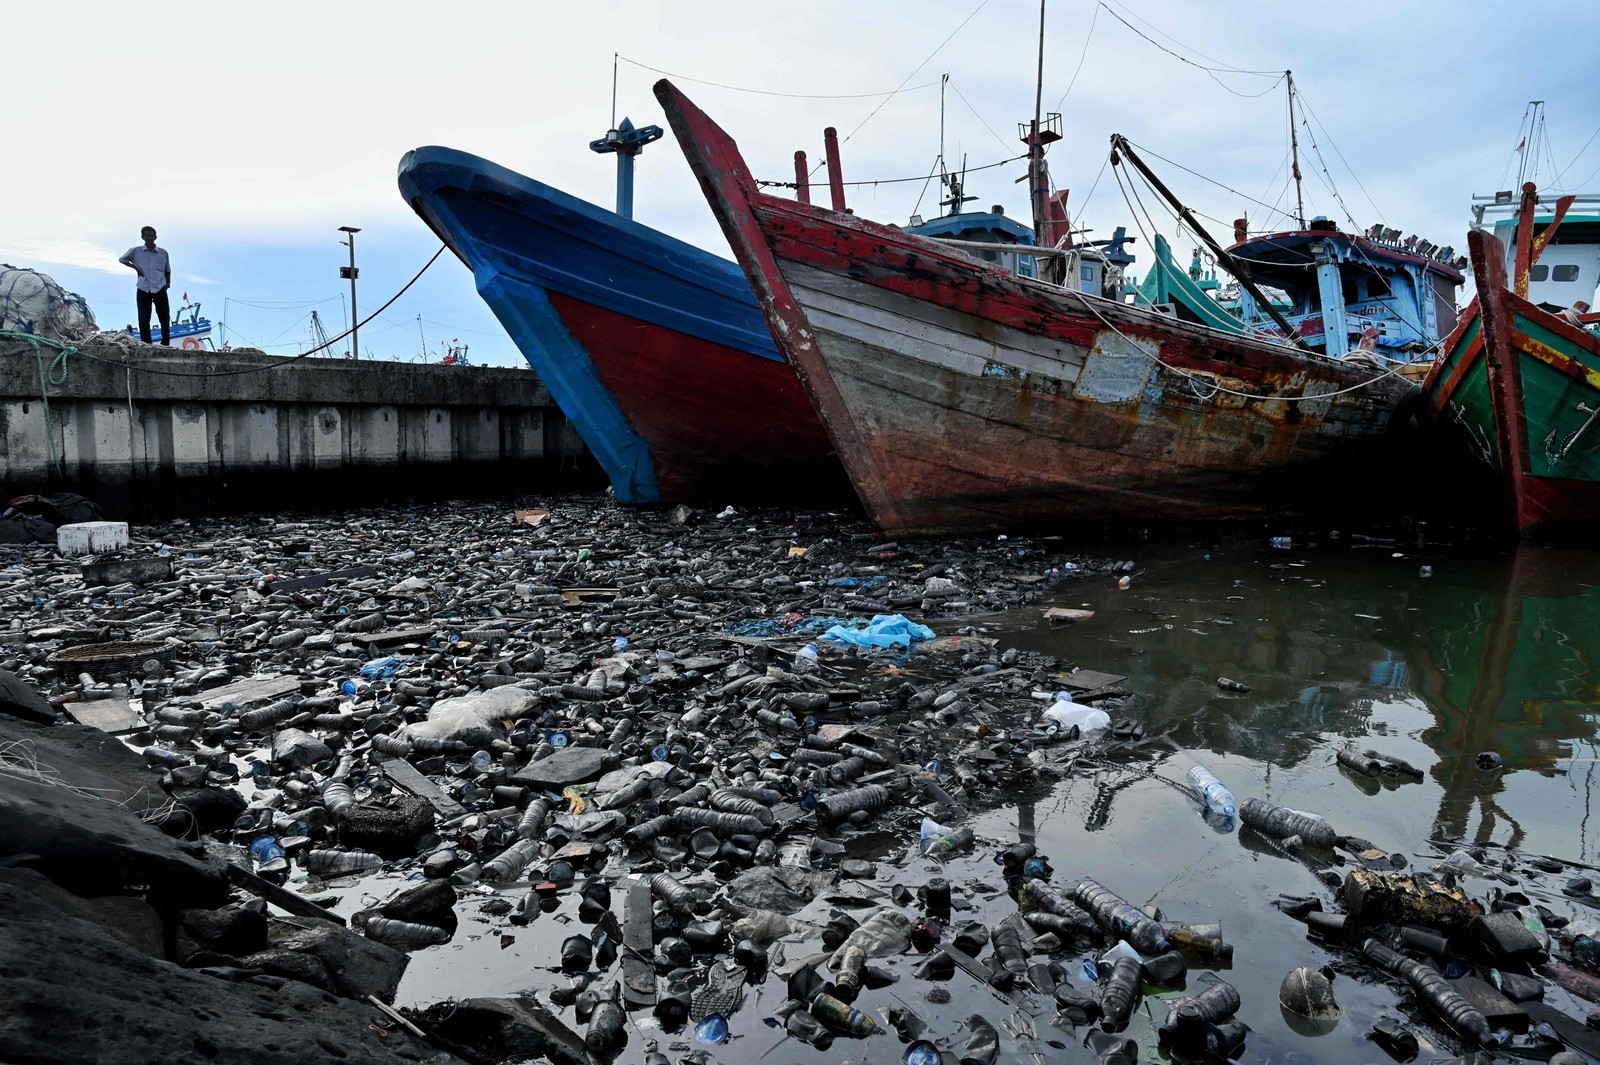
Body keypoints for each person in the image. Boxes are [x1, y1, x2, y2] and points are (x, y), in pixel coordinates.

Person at [118, 226, 171, 345]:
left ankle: (165, 343)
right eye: (147, 235)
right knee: (143, 318)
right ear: (142, 237)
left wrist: (167, 284)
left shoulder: (163, 253)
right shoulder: (136, 251)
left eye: (152, 235)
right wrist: (135, 267)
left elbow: (167, 270)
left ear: (155, 237)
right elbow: (122, 259)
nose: (149, 238)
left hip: (159, 287)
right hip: (143, 287)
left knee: (164, 317)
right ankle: (147, 343)